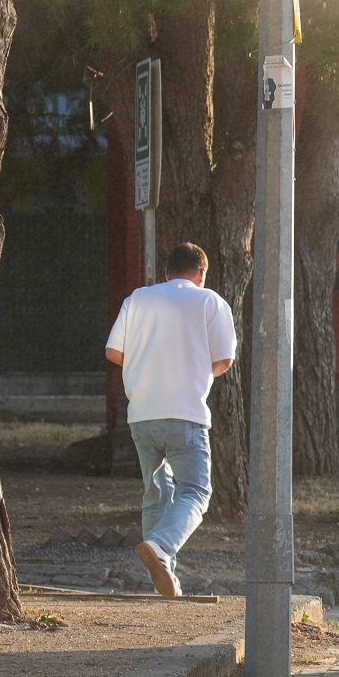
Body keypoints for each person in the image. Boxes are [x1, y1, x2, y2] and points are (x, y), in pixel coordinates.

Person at [104, 242, 237, 598]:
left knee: (156, 496)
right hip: (185, 413)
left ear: (165, 273)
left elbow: (113, 351)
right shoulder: (210, 301)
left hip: (142, 415)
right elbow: (224, 359)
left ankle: (164, 579)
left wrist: (147, 363)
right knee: (196, 491)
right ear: (202, 273)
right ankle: (162, 547)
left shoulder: (137, 299)